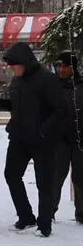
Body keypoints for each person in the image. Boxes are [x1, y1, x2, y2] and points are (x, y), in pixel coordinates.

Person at [0, 42, 68, 237]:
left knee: (43, 183)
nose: (11, 69)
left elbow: (61, 110)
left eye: (13, 65)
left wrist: (43, 131)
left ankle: (44, 225)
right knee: (11, 175)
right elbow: (17, 106)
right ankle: (26, 216)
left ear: (25, 62)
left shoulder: (48, 79)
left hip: (43, 141)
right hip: (19, 137)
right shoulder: (17, 80)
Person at [51, 51, 83, 224]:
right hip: (59, 140)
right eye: (58, 66)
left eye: (64, 66)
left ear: (73, 68)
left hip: (80, 140)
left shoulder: (81, 85)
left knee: (81, 178)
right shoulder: (52, 86)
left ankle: (82, 214)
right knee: (55, 176)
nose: (60, 69)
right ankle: (49, 212)